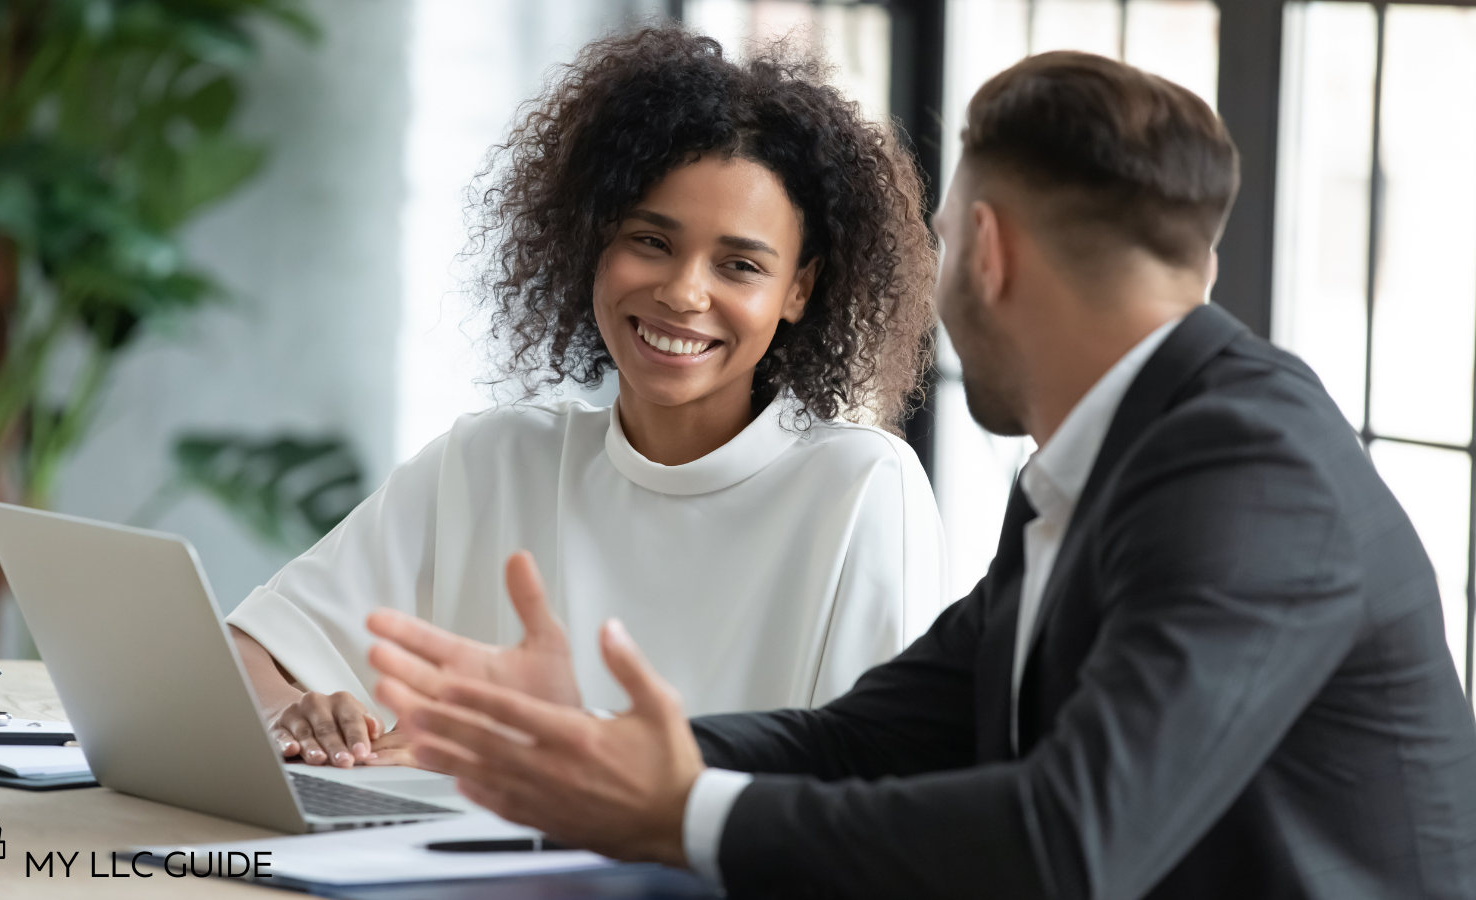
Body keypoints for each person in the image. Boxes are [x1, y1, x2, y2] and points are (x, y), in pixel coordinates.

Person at [366, 51, 1476, 899]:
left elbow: (1069, 842)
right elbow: (863, 740)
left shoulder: (1248, 473)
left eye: (940, 242)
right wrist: (597, 751)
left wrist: (682, 815)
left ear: (985, 252)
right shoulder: (1100, 466)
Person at [227, 25, 943, 771]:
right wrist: (293, 712)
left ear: (799, 288)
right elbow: (241, 650)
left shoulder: (860, 490)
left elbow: (874, 792)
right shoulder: (494, 459)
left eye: (738, 265)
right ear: (594, 241)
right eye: (651, 242)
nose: (682, 292)